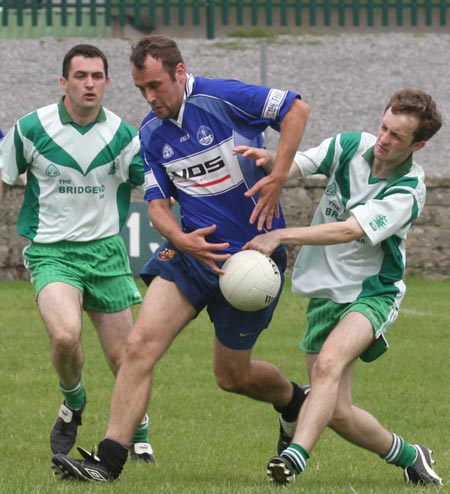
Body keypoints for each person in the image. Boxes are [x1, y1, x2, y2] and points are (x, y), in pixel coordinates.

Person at [50, 33, 311, 481]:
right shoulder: (150, 134)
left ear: (180, 73)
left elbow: (295, 109)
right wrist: (181, 239)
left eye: (156, 86)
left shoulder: (222, 97)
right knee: (139, 346)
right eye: (141, 90)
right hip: (189, 254)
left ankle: (292, 400)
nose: (150, 98)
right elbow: (157, 207)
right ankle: (108, 463)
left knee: (232, 377)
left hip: (252, 261)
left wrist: (280, 173)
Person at [237, 88, 443, 486]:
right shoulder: (351, 145)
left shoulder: (408, 190)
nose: (384, 139)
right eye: (383, 127)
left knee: (328, 366)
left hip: (371, 293)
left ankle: (295, 456)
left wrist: (282, 235)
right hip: (324, 294)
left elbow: (350, 230)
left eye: (397, 137)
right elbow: (304, 162)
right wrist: (273, 163)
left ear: (417, 145)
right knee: (336, 411)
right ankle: (409, 455)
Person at [0, 44, 155, 463]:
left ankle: (137, 434)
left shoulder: (124, 136)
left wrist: (179, 235)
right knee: (65, 335)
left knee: (126, 358)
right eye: (81, 76)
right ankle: (74, 401)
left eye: (97, 76)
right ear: (63, 82)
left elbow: (156, 191)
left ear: (107, 82)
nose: (89, 84)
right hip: (52, 252)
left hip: (106, 254)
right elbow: (3, 176)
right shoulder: (31, 128)